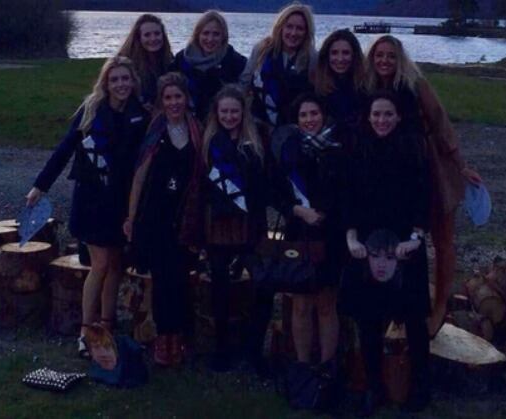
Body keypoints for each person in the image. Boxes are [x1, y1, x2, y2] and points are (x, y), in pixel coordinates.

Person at [26, 56, 149, 357]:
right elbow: (64, 149)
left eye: (125, 79)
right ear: (105, 83)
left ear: (133, 82)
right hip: (92, 199)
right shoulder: (91, 111)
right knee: (100, 264)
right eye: (114, 79)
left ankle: (106, 324)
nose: (120, 84)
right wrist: (40, 185)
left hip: (121, 201)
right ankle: (85, 329)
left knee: (116, 265)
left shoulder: (141, 115)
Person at [366, 35, 482, 336]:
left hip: (430, 164)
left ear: (400, 58)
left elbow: (441, 122)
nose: (384, 61)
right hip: (395, 171)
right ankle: (397, 304)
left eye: (390, 55)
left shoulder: (416, 84)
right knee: (398, 235)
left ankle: (440, 304)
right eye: (379, 55)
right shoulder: (370, 87)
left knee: (442, 238)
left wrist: (460, 164)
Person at [343, 92, 432, 416]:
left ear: (398, 117)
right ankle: (374, 387)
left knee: (414, 319)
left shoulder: (412, 150)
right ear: (368, 117)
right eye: (376, 114)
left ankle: (420, 388)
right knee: (368, 318)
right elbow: (349, 198)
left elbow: (423, 197)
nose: (381, 120)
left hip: (404, 243)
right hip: (368, 245)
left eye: (387, 114)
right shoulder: (358, 150)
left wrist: (416, 237)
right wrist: (351, 237)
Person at [180, 85, 278, 371]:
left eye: (234, 111)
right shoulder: (208, 142)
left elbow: (266, 181)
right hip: (217, 225)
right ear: (216, 112)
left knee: (264, 285)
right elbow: (198, 186)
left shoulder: (257, 140)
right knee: (220, 288)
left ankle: (254, 348)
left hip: (251, 223)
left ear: (243, 112)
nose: (229, 116)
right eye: (224, 111)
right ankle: (222, 348)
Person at [124, 72, 203, 367]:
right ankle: (162, 338)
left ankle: (178, 336)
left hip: (185, 216)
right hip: (155, 217)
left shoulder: (197, 130)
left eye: (178, 96)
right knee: (161, 280)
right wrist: (131, 217)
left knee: (181, 279)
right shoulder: (154, 131)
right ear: (161, 100)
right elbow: (139, 177)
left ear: (186, 98)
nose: (173, 103)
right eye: (168, 97)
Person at [273, 93, 348, 374]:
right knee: (301, 304)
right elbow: (275, 192)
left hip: (330, 235)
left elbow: (347, 191)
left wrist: (327, 213)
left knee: (327, 304)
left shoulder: (339, 149)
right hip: (298, 231)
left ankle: (327, 368)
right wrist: (298, 210)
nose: (309, 120)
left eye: (314, 113)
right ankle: (303, 367)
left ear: (323, 115)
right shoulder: (287, 149)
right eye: (303, 115)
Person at [240, 2, 317, 130]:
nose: (293, 33)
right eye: (289, 27)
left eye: (299, 28)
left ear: (307, 32)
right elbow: (244, 83)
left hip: (295, 127)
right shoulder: (261, 50)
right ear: (280, 27)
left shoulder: (313, 59)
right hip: (258, 122)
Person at [170, 10, 247, 121]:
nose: (210, 39)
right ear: (197, 34)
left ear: (224, 36)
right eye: (205, 33)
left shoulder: (235, 61)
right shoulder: (182, 59)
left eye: (216, 34)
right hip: (189, 121)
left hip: (223, 122)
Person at [118, 14, 174, 110]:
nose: (153, 38)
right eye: (147, 35)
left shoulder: (169, 60)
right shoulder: (125, 63)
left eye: (157, 33)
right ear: (138, 37)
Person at [314, 29, 366, 131]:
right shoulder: (316, 88)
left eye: (346, 53)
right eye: (334, 53)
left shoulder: (365, 87)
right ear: (327, 56)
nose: (340, 59)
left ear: (354, 55)